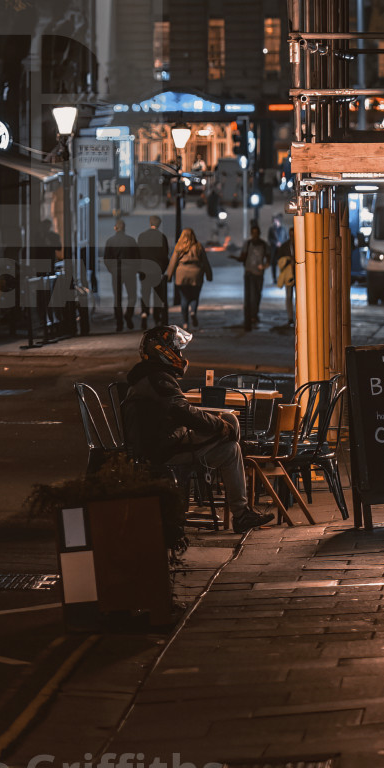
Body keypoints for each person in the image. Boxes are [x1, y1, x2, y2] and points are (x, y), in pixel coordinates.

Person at [122, 325, 273, 535]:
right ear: (164, 351)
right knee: (231, 435)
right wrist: (220, 426)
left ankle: (241, 512)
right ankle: (241, 513)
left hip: (166, 441)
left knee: (231, 444)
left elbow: (182, 411)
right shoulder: (158, 379)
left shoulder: (151, 376)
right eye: (177, 350)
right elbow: (183, 411)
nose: (180, 354)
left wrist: (219, 424)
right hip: (165, 448)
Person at [165, 227, 213, 329]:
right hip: (196, 275)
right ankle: (193, 312)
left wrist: (169, 276)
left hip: (181, 276)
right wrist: (209, 274)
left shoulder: (179, 247)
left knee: (184, 298)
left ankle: (185, 322)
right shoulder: (198, 246)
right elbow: (205, 261)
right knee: (195, 297)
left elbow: (173, 262)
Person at [233, 223, 270, 331]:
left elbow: (269, 257)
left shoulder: (264, 245)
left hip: (259, 273)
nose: (254, 235)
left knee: (257, 295)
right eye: (253, 233)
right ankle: (249, 317)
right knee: (249, 296)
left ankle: (254, 314)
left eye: (256, 233)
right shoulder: (247, 244)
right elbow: (243, 256)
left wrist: (264, 266)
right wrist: (236, 258)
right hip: (249, 273)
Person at [103, 219, 138, 331]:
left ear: (115, 228)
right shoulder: (131, 240)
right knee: (132, 296)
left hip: (116, 272)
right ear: (124, 228)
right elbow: (137, 257)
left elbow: (106, 259)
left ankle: (119, 322)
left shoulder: (110, 241)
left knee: (117, 298)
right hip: (130, 272)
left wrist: (112, 270)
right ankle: (128, 315)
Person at [136, 215, 169, 329]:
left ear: (150, 223)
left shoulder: (142, 236)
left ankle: (144, 313)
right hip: (157, 271)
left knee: (145, 294)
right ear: (159, 224)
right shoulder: (162, 237)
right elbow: (165, 256)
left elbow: (138, 254)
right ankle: (157, 317)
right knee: (157, 295)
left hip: (144, 270)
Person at [274, 225, 295, 328]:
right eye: (290, 234)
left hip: (299, 275)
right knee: (289, 297)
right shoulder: (285, 246)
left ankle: (298, 317)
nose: (292, 236)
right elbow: (279, 260)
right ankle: (290, 318)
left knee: (299, 298)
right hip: (289, 275)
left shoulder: (301, 244)